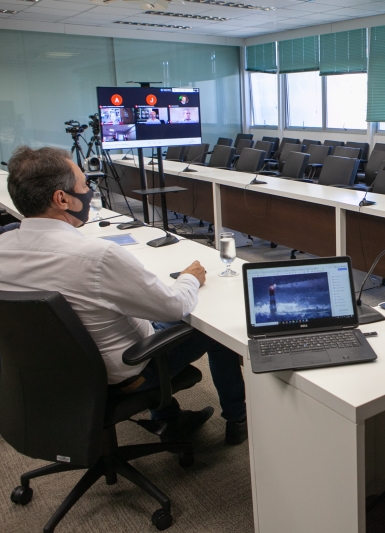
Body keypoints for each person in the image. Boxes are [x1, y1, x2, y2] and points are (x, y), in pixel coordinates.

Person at [0, 146, 247, 445]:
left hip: (50, 371)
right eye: (84, 185)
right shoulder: (97, 256)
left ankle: (169, 418)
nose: (90, 191)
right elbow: (173, 307)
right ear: (62, 199)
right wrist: (188, 278)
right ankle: (237, 419)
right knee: (215, 331)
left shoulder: (5, 247)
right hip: (125, 374)